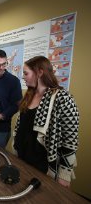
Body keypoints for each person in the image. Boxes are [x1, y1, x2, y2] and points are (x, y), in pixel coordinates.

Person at [12, 56, 79, 188]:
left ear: (40, 73)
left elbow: (70, 139)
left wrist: (64, 174)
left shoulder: (63, 98)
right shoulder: (29, 96)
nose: (23, 77)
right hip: (23, 160)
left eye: (26, 73)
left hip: (43, 165)